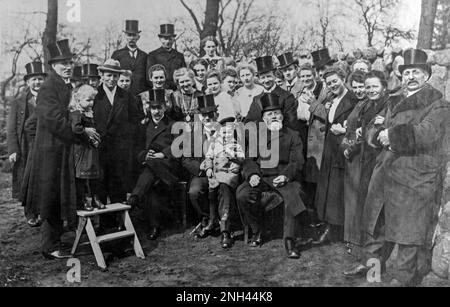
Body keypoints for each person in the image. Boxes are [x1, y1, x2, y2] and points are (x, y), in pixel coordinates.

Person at [345, 49, 450, 287]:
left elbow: (427, 133)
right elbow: (373, 129)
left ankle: (402, 280)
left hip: (414, 176)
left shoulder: (439, 105)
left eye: (417, 72)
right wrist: (375, 134)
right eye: (407, 73)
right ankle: (373, 275)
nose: (411, 77)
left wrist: (390, 134)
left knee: (408, 235)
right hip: (385, 172)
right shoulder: (394, 100)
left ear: (427, 75)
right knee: (375, 227)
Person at [26, 39, 88, 259]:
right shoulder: (49, 87)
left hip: (61, 149)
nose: (68, 66)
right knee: (50, 197)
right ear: (52, 65)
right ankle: (49, 247)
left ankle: (55, 242)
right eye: (62, 63)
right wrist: (78, 133)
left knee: (59, 195)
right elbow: (53, 120)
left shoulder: (64, 85)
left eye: (69, 62)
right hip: (50, 151)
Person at [237, 93, 306, 259]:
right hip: (261, 176)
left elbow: (297, 162)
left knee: (293, 196)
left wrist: (286, 176)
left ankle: (290, 240)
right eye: (269, 114)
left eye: (276, 113)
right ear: (263, 118)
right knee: (242, 194)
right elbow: (248, 160)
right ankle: (257, 230)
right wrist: (252, 174)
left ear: (282, 115)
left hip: (282, 177)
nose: (273, 117)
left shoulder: (293, 135)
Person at [340, 71, 389, 254]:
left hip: (381, 162)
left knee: (375, 209)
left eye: (375, 86)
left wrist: (382, 125)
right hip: (367, 161)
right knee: (366, 206)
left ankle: (373, 260)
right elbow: (365, 133)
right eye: (368, 87)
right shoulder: (368, 105)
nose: (370, 90)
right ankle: (366, 255)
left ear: (383, 87)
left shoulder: (388, 105)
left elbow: (377, 135)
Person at [127, 89, 181, 240]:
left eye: (159, 107)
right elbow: (137, 149)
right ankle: (155, 226)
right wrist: (145, 155)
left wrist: (162, 154)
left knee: (152, 165)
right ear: (148, 108)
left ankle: (134, 198)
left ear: (165, 107)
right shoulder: (143, 126)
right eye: (153, 108)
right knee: (152, 189)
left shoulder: (173, 125)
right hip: (151, 170)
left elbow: (179, 145)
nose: (156, 111)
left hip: (168, 168)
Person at [313, 67, 358, 245]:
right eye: (329, 83)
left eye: (335, 81)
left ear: (343, 78)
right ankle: (330, 227)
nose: (332, 85)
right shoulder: (332, 99)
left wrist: (345, 130)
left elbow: (358, 122)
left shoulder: (353, 98)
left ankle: (339, 231)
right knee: (329, 189)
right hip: (330, 149)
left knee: (339, 191)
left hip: (343, 148)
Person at [93, 59, 144, 207]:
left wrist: (126, 137)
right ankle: (104, 224)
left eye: (115, 76)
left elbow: (136, 121)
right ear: (101, 75)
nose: (112, 79)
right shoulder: (96, 95)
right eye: (108, 75)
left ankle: (120, 221)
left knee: (119, 185)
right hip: (100, 147)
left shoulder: (126, 96)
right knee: (101, 184)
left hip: (121, 149)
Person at [7, 61, 46, 226]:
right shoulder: (19, 101)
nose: (37, 83)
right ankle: (30, 213)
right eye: (34, 79)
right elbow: (11, 128)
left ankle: (43, 211)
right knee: (27, 179)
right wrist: (13, 150)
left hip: (45, 143)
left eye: (40, 79)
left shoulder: (50, 98)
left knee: (44, 177)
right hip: (26, 145)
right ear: (28, 82)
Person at [179, 95, 221, 238]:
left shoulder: (226, 131)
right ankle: (208, 218)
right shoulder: (193, 135)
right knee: (194, 192)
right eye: (204, 115)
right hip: (202, 174)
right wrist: (200, 166)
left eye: (210, 114)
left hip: (222, 172)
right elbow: (185, 159)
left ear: (216, 114)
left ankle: (223, 220)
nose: (207, 118)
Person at [201, 119, 245, 249]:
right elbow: (208, 157)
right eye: (224, 131)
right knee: (213, 192)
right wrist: (208, 168)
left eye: (229, 132)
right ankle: (213, 219)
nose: (226, 134)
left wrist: (234, 155)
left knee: (224, 189)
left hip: (229, 175)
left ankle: (225, 230)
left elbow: (242, 159)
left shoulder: (236, 145)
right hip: (216, 175)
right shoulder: (214, 144)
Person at [69, 85, 103, 212]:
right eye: (88, 100)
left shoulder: (90, 113)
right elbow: (75, 129)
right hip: (81, 150)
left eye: (92, 100)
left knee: (94, 175)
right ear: (78, 100)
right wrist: (87, 135)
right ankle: (84, 200)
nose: (91, 103)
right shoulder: (76, 113)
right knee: (82, 177)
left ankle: (95, 198)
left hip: (91, 150)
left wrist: (96, 139)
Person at [244, 56, 298, 131]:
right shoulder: (256, 100)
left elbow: (291, 123)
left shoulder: (287, 96)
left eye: (268, 76)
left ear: (274, 76)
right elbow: (248, 123)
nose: (266, 80)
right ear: (259, 79)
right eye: (263, 78)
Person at [111, 20, 148, 96]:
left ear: (138, 37)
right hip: (121, 94)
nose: (131, 38)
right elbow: (112, 74)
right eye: (129, 35)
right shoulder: (117, 54)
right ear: (125, 36)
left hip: (140, 94)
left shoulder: (144, 56)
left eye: (134, 35)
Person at [147, 24, 186, 91]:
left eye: (170, 39)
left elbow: (184, 74)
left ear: (173, 39)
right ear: (160, 39)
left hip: (176, 90)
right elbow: (149, 77)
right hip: (159, 89)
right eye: (165, 39)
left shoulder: (179, 56)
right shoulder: (153, 55)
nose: (168, 42)